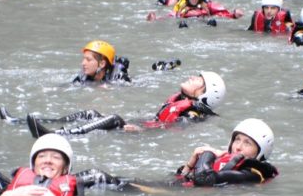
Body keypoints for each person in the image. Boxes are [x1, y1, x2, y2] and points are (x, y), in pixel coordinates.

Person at [25, 71, 226, 136]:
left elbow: (168, 130)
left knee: (113, 119)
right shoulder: (181, 101)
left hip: (140, 134)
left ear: (205, 93)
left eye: (198, 80)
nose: (192, 77)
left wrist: (139, 130)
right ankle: (37, 121)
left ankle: (60, 134)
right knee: (90, 113)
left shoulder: (193, 114)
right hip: (141, 125)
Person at [176, 119, 279, 186]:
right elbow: (181, 179)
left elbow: (204, 179)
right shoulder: (224, 161)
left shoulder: (252, 175)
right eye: (237, 139)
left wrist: (208, 154)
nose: (238, 147)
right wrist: (190, 164)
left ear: (260, 151)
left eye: (247, 143)